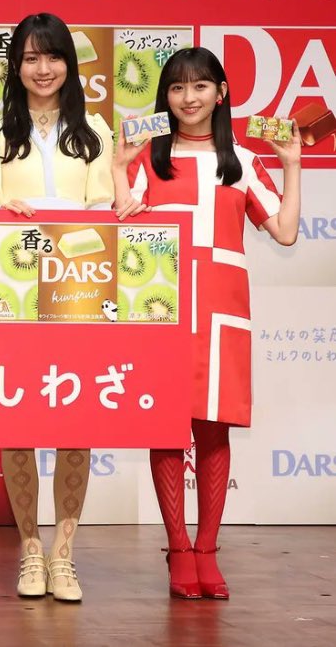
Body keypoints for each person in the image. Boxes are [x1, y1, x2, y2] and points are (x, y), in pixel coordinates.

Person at [111, 47, 300, 600]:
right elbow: (121, 227)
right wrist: (119, 170)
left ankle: (208, 549)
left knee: (214, 429)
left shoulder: (240, 160)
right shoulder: (149, 159)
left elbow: (285, 232)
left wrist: (291, 165)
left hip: (222, 310)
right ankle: (178, 548)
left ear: (221, 93)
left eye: (199, 86)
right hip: (163, 311)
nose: (188, 98)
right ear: (164, 97)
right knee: (167, 429)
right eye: (176, 88)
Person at [0, 12, 115, 602]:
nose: (43, 69)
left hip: (80, 292)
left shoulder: (94, 129)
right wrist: (6, 213)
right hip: (15, 293)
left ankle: (64, 555)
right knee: (18, 420)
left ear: (70, 65)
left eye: (53, 57)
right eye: (30, 58)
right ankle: (30, 550)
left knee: (76, 422)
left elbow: (104, 208)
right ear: (16, 67)